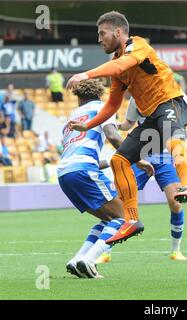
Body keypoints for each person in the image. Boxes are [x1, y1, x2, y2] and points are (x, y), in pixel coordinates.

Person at [65, 11, 187, 245]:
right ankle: (131, 220)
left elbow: (121, 65)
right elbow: (112, 105)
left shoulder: (137, 45)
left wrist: (85, 74)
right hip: (150, 117)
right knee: (119, 160)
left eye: (102, 33)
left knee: (173, 139)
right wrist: (86, 125)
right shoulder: (117, 65)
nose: (99, 39)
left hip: (169, 103)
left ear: (118, 32)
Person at [57, 79, 150, 279]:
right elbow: (113, 136)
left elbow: (74, 153)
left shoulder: (71, 119)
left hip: (65, 174)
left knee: (107, 218)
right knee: (124, 217)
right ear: (100, 94)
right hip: (83, 170)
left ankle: (77, 260)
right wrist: (137, 159)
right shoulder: (103, 108)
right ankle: (89, 260)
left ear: (79, 97)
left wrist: (108, 162)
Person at [98, 94, 187, 263]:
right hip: (140, 155)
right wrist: (115, 126)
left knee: (175, 202)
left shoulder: (179, 98)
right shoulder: (136, 97)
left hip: (166, 156)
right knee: (119, 202)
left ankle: (175, 250)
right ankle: (105, 251)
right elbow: (129, 123)